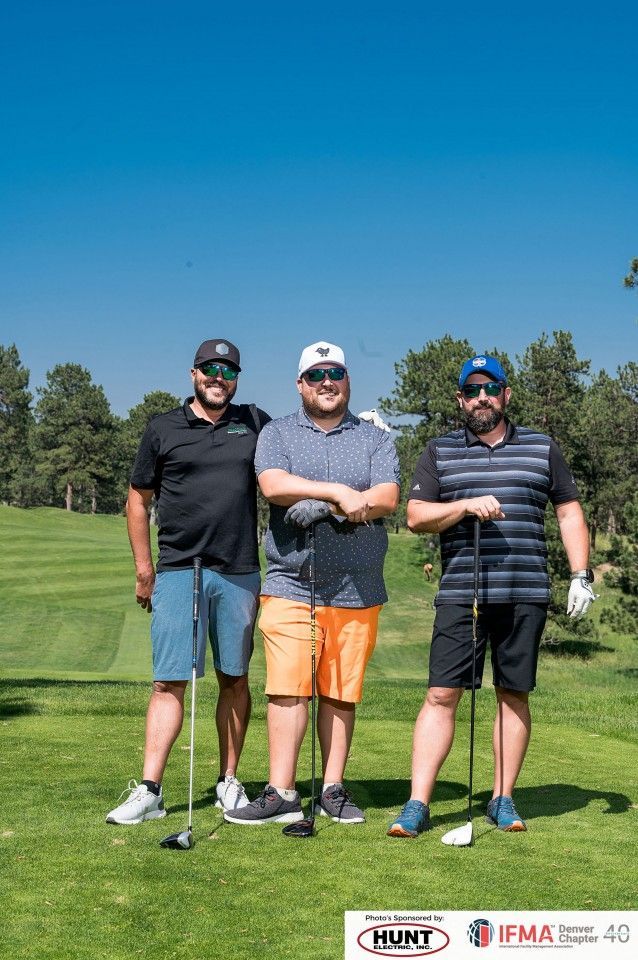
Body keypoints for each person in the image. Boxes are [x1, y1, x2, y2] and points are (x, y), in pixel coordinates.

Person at [388, 354, 596, 838]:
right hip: (463, 593)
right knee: (442, 693)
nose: (482, 397)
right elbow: (416, 516)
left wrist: (581, 574)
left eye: (491, 388)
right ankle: (417, 804)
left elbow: (568, 512)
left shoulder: (542, 448)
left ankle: (503, 798)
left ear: (505, 395)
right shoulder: (439, 451)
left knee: (513, 693)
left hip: (525, 592)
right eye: (472, 389)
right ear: (460, 399)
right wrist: (463, 506)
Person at [224, 341, 400, 826]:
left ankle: (332, 789)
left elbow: (386, 496)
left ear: (347, 382)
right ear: (301, 384)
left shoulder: (374, 438)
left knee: (341, 691)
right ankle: (282, 791)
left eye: (336, 373)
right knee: (287, 688)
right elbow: (273, 486)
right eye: (317, 374)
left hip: (357, 584)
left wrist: (324, 507)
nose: (328, 382)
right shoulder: (277, 433)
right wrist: (339, 492)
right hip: (290, 581)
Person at [106, 339, 270, 825]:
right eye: (209, 368)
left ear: (236, 377)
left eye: (228, 369)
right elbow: (138, 499)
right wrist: (143, 569)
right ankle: (151, 790)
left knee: (234, 677)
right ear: (193, 373)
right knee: (168, 680)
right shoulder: (163, 428)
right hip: (179, 568)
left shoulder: (255, 423)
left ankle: (229, 780)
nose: (218, 376)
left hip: (239, 569)